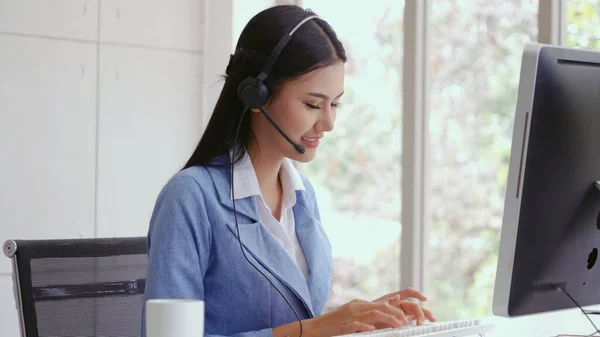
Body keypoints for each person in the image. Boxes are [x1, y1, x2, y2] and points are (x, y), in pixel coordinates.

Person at [141, 5, 436, 337]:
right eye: (313, 104)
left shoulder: (303, 197)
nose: (328, 123)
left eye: (334, 103)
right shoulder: (191, 197)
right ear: (256, 95)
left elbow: (294, 316)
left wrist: (362, 320)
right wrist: (314, 329)